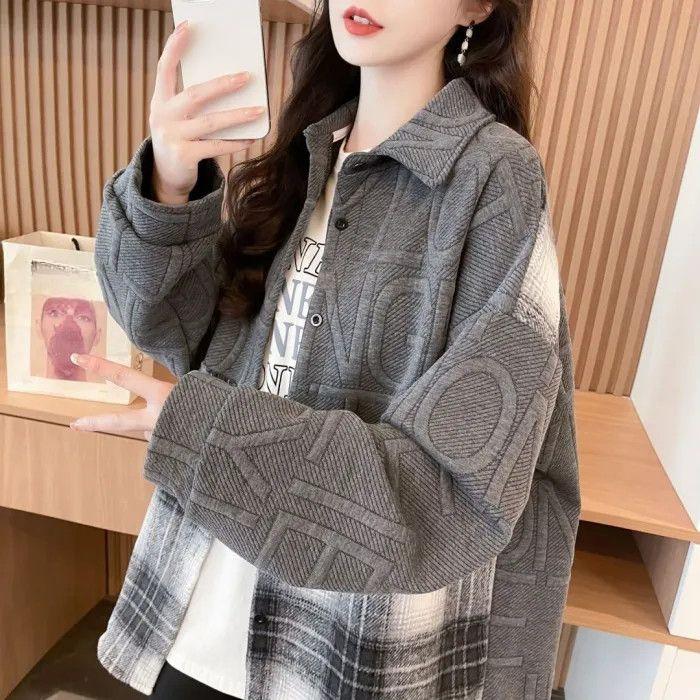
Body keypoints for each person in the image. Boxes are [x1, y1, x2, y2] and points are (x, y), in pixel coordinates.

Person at [71, 0, 581, 697]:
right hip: (198, 610)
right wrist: (169, 182)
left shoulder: (495, 179)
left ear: (477, 6)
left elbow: (452, 492)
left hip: (344, 651)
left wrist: (203, 433)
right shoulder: (307, 155)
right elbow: (174, 332)